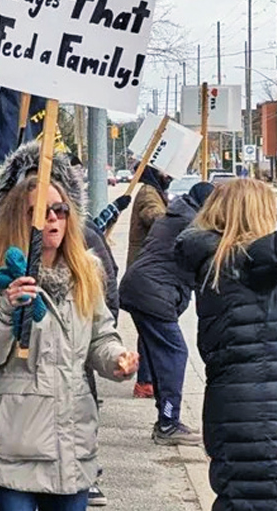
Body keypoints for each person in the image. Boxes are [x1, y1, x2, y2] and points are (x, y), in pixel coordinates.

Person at [0, 144, 139, 511]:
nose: (53, 220)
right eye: (40, 212)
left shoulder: (85, 271)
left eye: (59, 210)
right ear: (18, 218)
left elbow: (100, 336)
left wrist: (117, 359)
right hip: (14, 442)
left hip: (71, 439)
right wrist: (7, 310)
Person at [175, 127, 277, 511]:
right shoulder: (244, 261)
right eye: (272, 213)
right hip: (265, 412)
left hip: (241, 408)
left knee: (247, 497)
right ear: (252, 215)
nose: (275, 221)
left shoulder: (221, 264)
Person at [119, 181, 214, 447]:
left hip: (140, 288)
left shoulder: (176, 214)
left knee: (160, 355)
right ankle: (168, 423)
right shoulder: (192, 225)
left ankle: (166, 418)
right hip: (152, 294)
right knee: (175, 353)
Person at [127, 165, 171, 398]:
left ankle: (148, 379)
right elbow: (153, 216)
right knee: (149, 330)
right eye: (166, 172)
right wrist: (173, 217)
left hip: (148, 271)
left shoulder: (156, 191)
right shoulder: (148, 193)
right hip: (145, 273)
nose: (169, 176)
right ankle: (145, 381)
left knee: (149, 330)